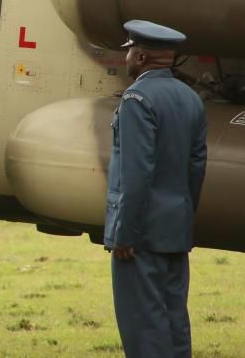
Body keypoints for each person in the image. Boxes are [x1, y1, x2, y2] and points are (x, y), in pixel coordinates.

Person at [104, 20, 207, 358]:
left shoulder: (137, 99)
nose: (127, 57)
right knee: (175, 325)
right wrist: (180, 218)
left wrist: (125, 234)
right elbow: (196, 168)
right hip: (174, 231)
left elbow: (136, 173)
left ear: (141, 56)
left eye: (130, 50)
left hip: (141, 237)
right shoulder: (192, 99)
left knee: (144, 331)